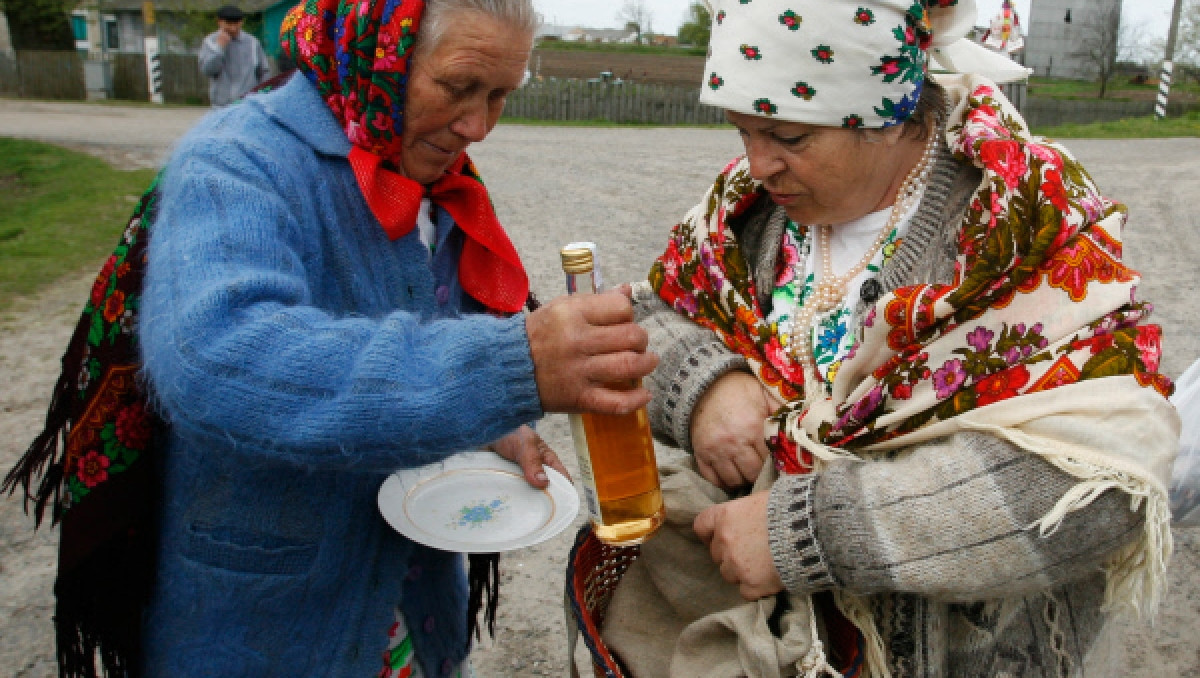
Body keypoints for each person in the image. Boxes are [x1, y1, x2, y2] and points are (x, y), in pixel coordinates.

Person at [603, 0, 1179, 676]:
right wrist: (707, 387)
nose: (759, 164)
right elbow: (645, 315)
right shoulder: (746, 213)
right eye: (743, 132)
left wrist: (810, 532)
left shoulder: (1017, 221)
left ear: (885, 118)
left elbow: (1100, 483)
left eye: (787, 137)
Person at [135, 0, 656, 676]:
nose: (477, 126)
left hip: (406, 613)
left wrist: (485, 423)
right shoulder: (236, 161)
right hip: (274, 625)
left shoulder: (429, 177)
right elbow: (216, 358)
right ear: (377, 50)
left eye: (499, 94)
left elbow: (420, 342)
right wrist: (509, 368)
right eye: (459, 86)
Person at [198, 4, 270, 107]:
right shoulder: (210, 42)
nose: (233, 28)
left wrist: (261, 96)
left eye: (236, 24)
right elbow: (208, 70)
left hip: (247, 104)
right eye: (229, 24)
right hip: (221, 106)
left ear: (242, 22)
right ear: (219, 22)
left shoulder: (253, 43)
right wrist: (219, 47)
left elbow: (263, 72)